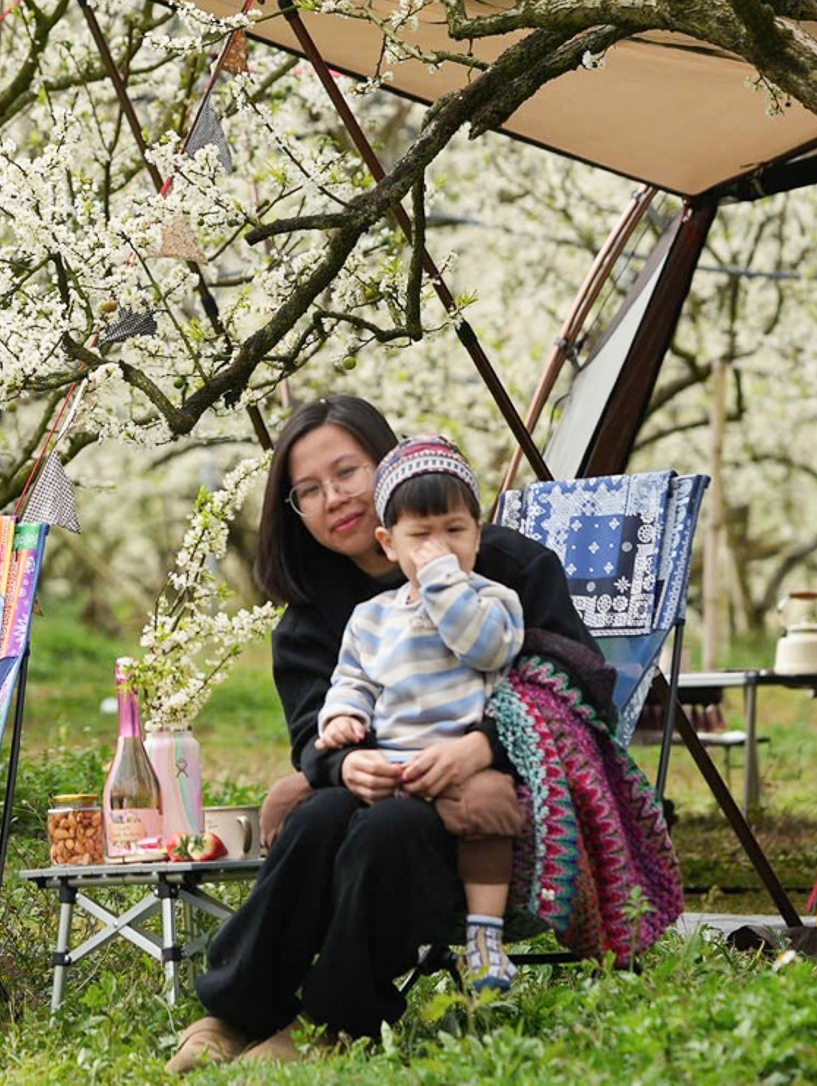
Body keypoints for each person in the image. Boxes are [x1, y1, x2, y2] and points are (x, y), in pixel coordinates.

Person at [167, 394, 603, 1071]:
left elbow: (576, 676)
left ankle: (331, 1022)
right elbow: (315, 736)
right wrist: (345, 766)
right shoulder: (313, 620)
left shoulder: (506, 566)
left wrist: (484, 743)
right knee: (322, 818)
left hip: (500, 797)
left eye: (347, 471)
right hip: (386, 783)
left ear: (387, 460)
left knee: (385, 830)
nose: (333, 497)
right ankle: (236, 1010)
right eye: (307, 490)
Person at [313, 433, 523, 993]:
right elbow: (353, 678)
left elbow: (485, 648)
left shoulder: (493, 600)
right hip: (396, 764)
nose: (441, 547)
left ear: (478, 533)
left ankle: (485, 938)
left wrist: (443, 584)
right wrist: (340, 719)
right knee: (322, 811)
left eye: (455, 531)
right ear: (387, 543)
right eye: (422, 536)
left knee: (488, 812)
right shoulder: (372, 617)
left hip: (465, 761)